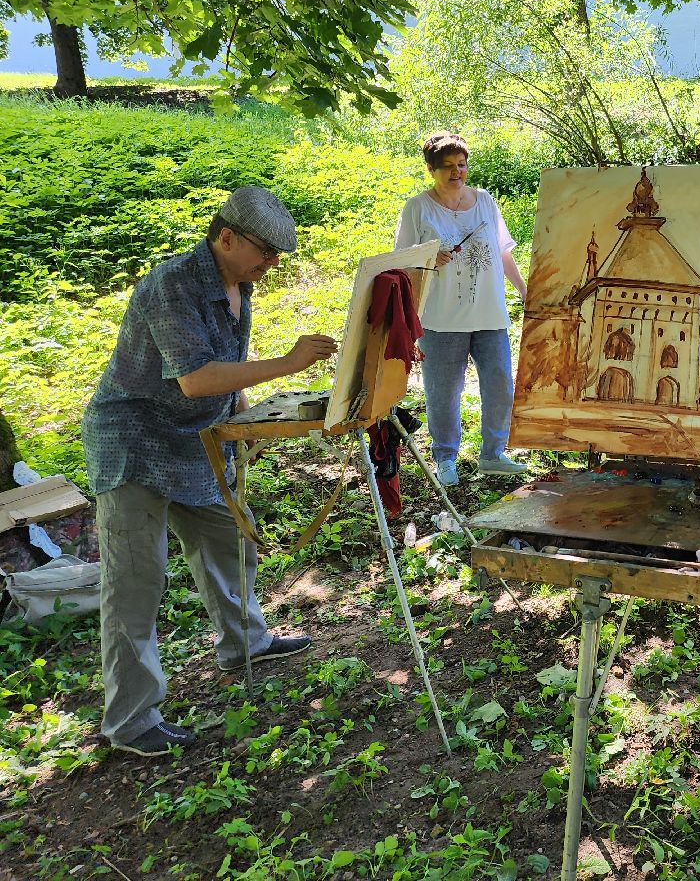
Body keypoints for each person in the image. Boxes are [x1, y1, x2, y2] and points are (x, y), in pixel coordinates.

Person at [81, 186, 338, 757]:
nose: (272, 265)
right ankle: (130, 720)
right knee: (135, 584)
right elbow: (195, 377)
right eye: (266, 252)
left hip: (195, 439)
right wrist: (288, 364)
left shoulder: (238, 285)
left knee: (229, 540)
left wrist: (241, 416)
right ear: (227, 238)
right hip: (134, 444)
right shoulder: (171, 284)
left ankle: (244, 643)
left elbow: (220, 376)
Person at [393, 132, 528, 484]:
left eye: (462, 165)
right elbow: (401, 262)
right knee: (443, 390)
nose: (457, 172)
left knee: (500, 384)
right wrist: (427, 256)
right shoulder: (418, 207)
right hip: (440, 318)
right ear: (431, 170)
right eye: (448, 167)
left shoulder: (484, 201)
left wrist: (525, 291)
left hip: (489, 313)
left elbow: (503, 251)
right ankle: (445, 458)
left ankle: (494, 454)